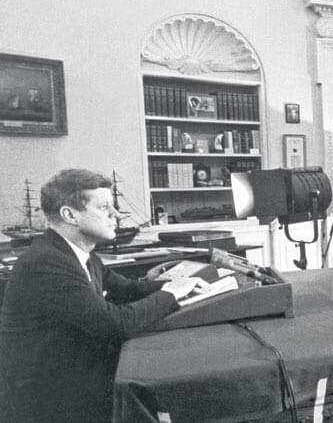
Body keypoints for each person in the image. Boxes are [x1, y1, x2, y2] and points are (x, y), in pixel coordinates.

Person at [0, 169, 205, 421]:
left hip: (75, 375)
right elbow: (114, 325)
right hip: (50, 398)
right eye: (104, 207)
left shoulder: (77, 253)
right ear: (70, 215)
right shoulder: (45, 262)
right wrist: (171, 293)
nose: (115, 214)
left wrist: (176, 283)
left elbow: (127, 290)